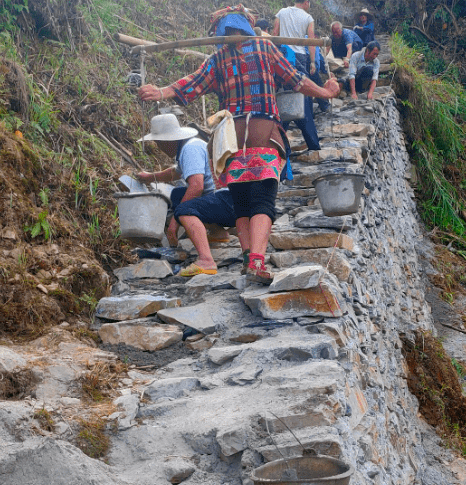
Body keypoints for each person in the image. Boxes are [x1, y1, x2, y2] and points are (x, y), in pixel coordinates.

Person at [138, 5, 340, 284]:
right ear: (247, 26)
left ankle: (248, 258)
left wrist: (160, 91)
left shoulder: (218, 58)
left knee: (242, 203)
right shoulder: (265, 49)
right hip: (264, 134)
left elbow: (190, 85)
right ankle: (256, 261)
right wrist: (325, 92)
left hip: (231, 142)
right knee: (263, 201)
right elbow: (297, 81)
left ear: (221, 31)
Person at [135, 114, 247, 277]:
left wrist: (175, 220)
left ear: (168, 141)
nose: (159, 147)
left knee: (183, 210)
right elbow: (174, 173)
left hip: (229, 201)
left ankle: (206, 260)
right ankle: (218, 233)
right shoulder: (188, 147)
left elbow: (196, 186)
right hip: (230, 199)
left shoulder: (190, 149)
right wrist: (150, 177)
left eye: (158, 143)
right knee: (178, 194)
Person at [274, 0, 323, 149]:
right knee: (304, 101)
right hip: (300, 59)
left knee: (282, 97)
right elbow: (311, 42)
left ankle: (278, 144)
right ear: (306, 2)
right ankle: (314, 146)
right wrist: (313, 62)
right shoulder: (308, 18)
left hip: (281, 58)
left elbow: (274, 35)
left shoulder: (281, 13)